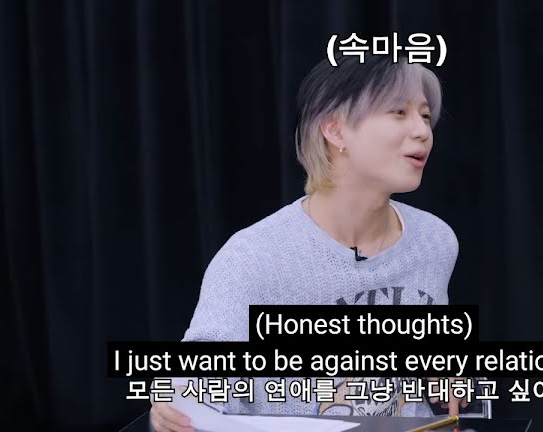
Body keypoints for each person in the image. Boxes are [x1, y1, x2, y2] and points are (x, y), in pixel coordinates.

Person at [150, 53, 463, 432]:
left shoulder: (435, 241)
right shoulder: (254, 258)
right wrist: (175, 399)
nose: (422, 131)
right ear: (336, 130)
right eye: (399, 112)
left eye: (425, 115)